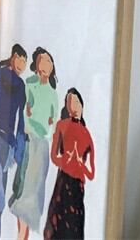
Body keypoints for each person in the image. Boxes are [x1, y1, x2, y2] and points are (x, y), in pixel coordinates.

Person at [9, 47, 59, 239]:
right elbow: (26, 116)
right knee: (22, 191)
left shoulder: (52, 94)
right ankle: (21, 233)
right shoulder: (29, 85)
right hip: (29, 140)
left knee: (33, 194)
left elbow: (51, 124)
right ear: (36, 64)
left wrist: (41, 126)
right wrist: (35, 125)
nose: (45, 65)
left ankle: (23, 234)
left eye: (48, 61)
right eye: (42, 60)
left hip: (42, 146)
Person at [0, 43, 28, 240]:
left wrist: (17, 149)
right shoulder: (1, 73)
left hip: (6, 140)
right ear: (13, 56)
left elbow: (21, 119)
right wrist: (2, 64)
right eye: (21, 59)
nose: (22, 65)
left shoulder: (21, 85)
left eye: (25, 62)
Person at [43, 88, 95, 240]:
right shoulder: (62, 125)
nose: (73, 106)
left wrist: (80, 164)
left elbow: (91, 173)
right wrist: (66, 161)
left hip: (78, 187)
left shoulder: (87, 134)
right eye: (69, 102)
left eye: (76, 102)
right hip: (64, 181)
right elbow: (54, 156)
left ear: (82, 105)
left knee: (74, 228)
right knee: (57, 226)